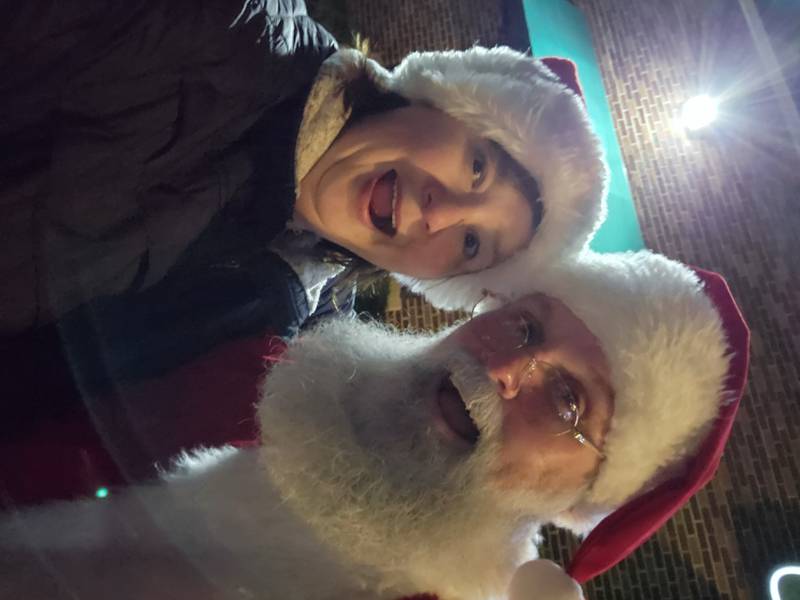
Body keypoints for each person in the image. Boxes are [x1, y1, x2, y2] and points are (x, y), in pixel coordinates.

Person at [0, 250, 749, 600]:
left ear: (583, 499)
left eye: (568, 404)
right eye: (524, 328)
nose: (502, 369)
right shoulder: (248, 360)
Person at [0, 1, 607, 391]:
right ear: (441, 100)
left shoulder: (265, 326)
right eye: (477, 167)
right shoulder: (211, 28)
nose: (441, 211)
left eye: (473, 244)